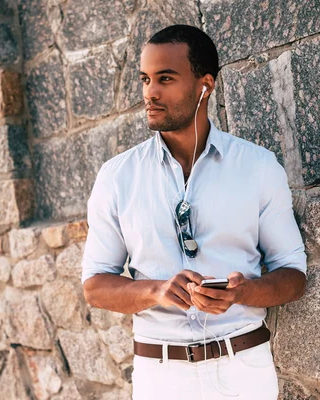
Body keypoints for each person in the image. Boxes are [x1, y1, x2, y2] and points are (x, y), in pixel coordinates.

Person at [81, 24, 307, 400]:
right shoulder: (117, 177)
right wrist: (157, 290)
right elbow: (95, 287)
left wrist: (244, 292)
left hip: (244, 370)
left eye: (165, 79)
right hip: (160, 377)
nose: (150, 93)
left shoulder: (258, 167)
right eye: (145, 79)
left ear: (205, 85)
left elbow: (293, 277)